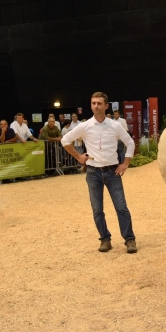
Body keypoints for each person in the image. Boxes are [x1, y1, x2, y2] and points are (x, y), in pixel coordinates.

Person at [61, 92, 137, 254]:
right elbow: (65, 141)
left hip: (112, 172)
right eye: (94, 103)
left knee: (121, 207)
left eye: (99, 103)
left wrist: (125, 164)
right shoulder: (85, 126)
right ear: (91, 105)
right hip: (93, 172)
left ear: (106, 106)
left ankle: (129, 239)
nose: (96, 106)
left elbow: (130, 142)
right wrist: (79, 157)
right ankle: (104, 239)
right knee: (97, 209)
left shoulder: (115, 126)